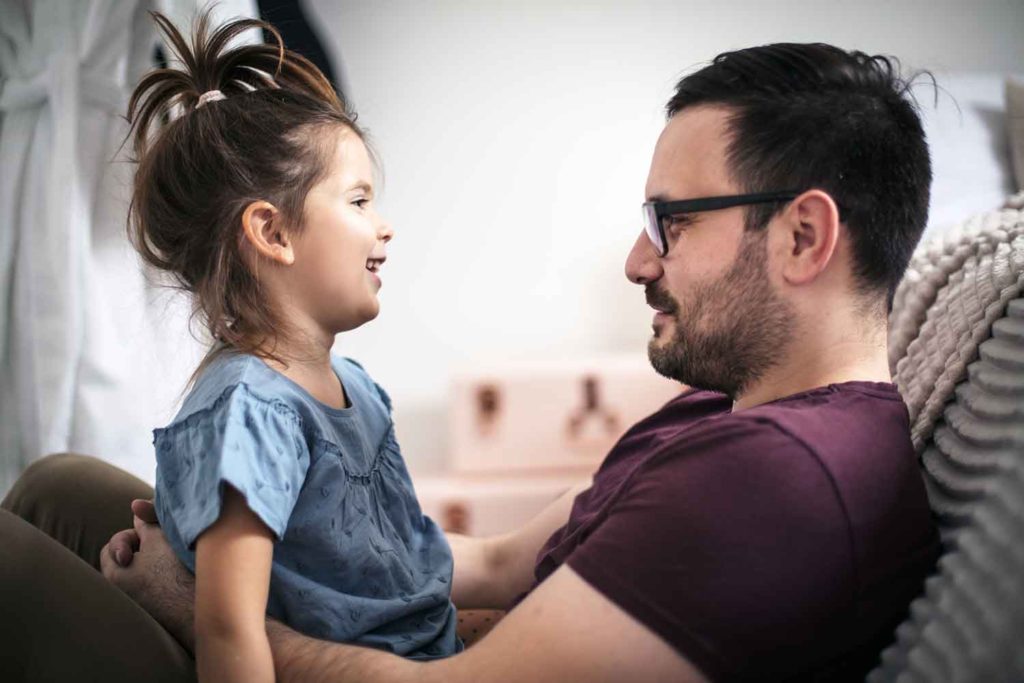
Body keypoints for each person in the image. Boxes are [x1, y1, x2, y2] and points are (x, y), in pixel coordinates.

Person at [0, 41, 939, 683]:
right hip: (369, 637)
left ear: (805, 235)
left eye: (671, 221)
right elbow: (484, 560)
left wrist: (189, 599)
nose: (636, 261)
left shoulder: (779, 479)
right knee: (59, 482)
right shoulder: (725, 413)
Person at [123, 9, 460, 682]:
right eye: (359, 200)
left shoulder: (356, 387)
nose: (384, 226)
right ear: (273, 233)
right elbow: (228, 629)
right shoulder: (251, 411)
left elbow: (407, 559)